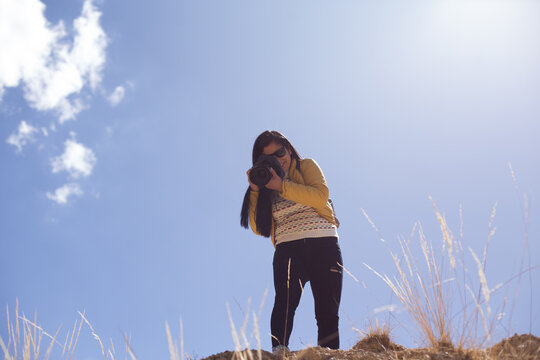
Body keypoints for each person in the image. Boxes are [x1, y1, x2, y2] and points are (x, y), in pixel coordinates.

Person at [240, 130, 343, 353]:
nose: (279, 159)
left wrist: (282, 186)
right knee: (284, 304)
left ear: (288, 148)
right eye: (270, 157)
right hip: (288, 249)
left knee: (327, 310)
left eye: (281, 151)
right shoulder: (264, 183)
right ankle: (279, 353)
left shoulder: (306, 166)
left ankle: (329, 356)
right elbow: (258, 228)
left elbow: (320, 195)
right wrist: (257, 190)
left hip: (324, 243)